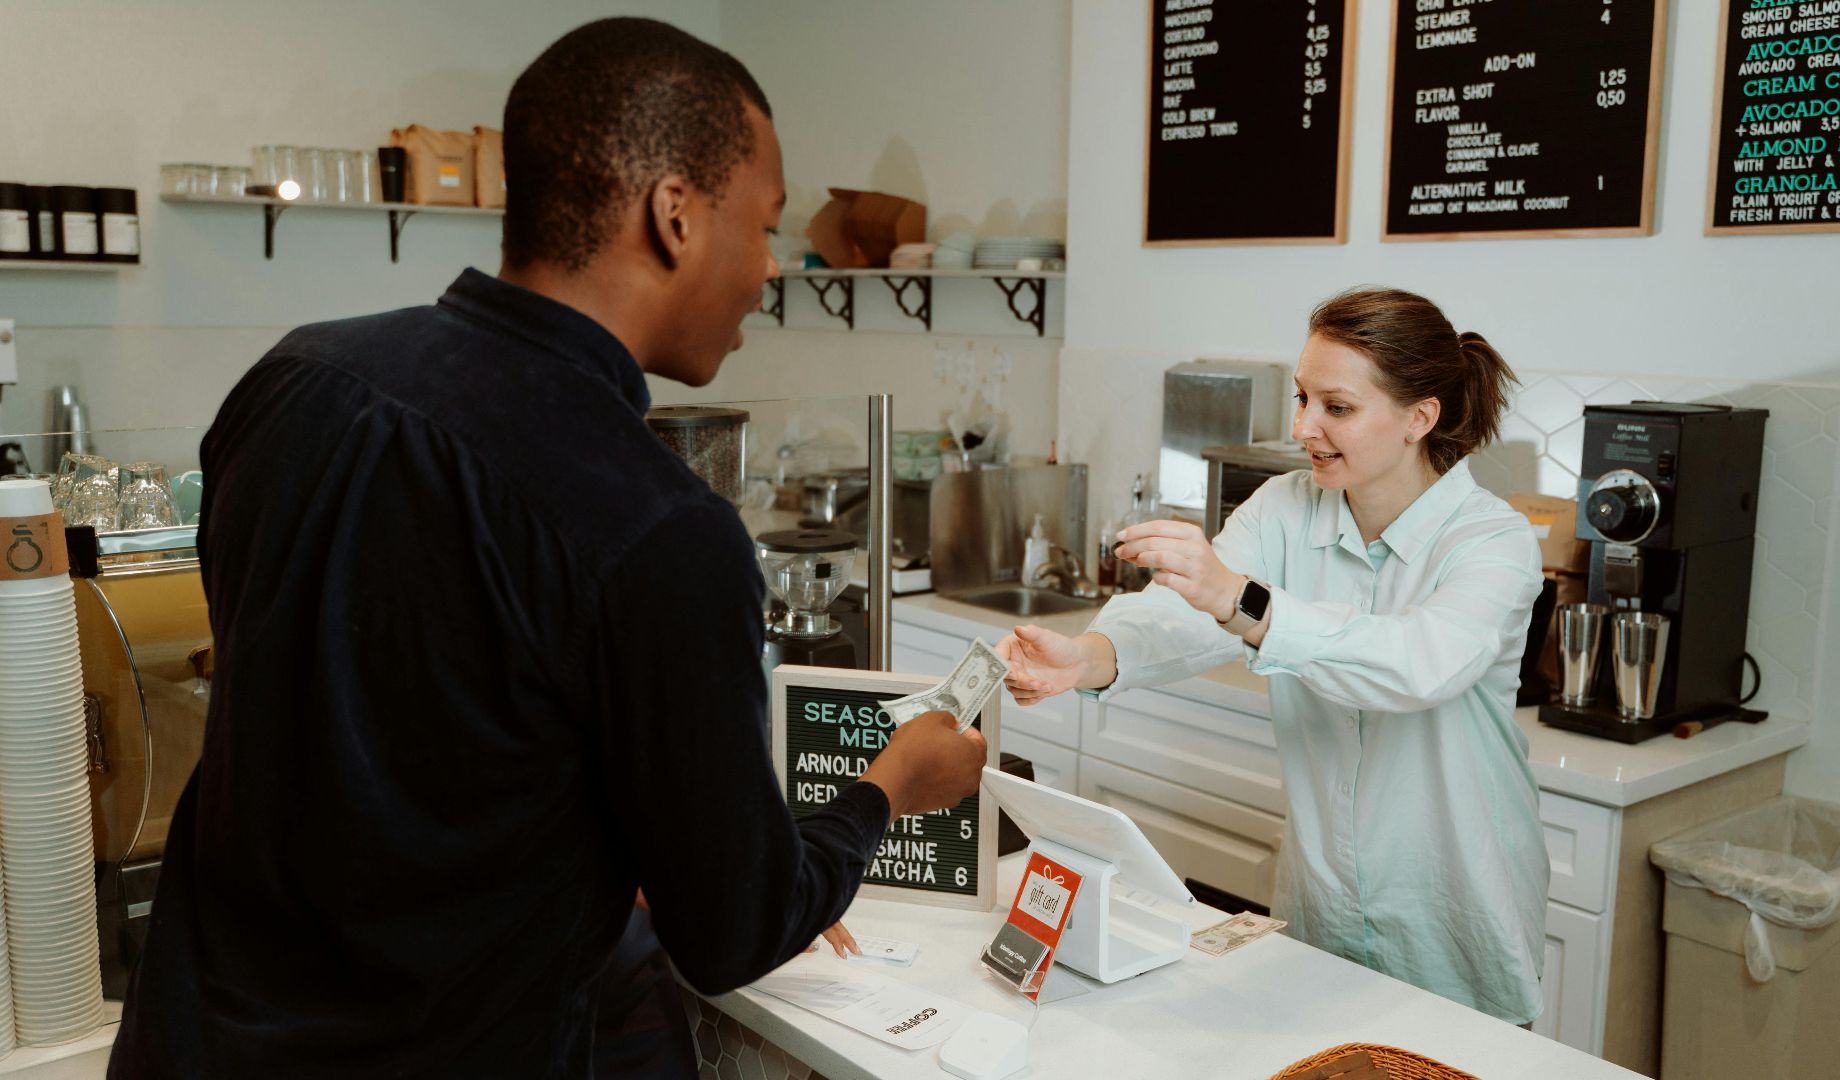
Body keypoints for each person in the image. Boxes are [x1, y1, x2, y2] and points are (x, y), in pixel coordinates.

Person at [109, 18, 986, 1078]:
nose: (766, 269)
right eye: (761, 225)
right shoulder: (656, 525)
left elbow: (397, 730)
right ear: (673, 215)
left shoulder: (296, 380)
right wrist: (891, 784)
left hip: (196, 1041)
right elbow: (733, 932)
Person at [998, 287, 1550, 1025]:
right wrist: (1088, 656)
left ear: (1421, 417)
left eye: (1337, 407)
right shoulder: (1288, 507)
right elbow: (1186, 611)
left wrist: (1244, 601)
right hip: (1321, 910)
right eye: (1301, 399)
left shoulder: (1493, 540)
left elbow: (1420, 663)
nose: (1303, 427)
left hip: (1453, 922)